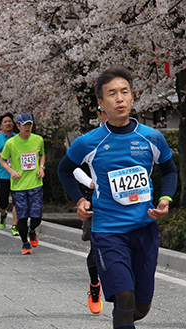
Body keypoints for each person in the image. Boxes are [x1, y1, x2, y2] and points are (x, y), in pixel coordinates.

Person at [57, 66, 178, 329]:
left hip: (144, 230)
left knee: (139, 308)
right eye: (112, 93)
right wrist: (80, 201)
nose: (120, 98)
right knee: (123, 298)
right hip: (108, 231)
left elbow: (168, 170)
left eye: (124, 91)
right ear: (101, 103)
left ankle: (97, 278)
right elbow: (65, 169)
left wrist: (165, 199)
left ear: (133, 97)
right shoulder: (90, 142)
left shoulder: (151, 138)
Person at [73, 106, 108, 315]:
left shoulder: (135, 136)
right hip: (96, 203)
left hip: (126, 206)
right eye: (104, 110)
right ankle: (95, 285)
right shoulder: (89, 140)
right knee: (96, 250)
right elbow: (72, 167)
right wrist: (90, 183)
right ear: (99, 114)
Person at [0, 113, 45, 255]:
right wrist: (11, 171)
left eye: (30, 124)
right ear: (18, 126)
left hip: (36, 184)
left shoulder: (38, 140)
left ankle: (32, 230)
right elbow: (2, 160)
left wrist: (41, 167)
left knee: (37, 216)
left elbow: (42, 154)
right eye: (24, 125)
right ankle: (25, 243)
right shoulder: (11, 143)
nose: (27, 127)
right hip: (18, 186)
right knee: (22, 217)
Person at [0, 113, 19, 235]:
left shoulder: (18, 138)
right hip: (2, 174)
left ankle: (15, 226)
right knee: (3, 202)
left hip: (17, 174)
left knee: (17, 201)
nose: (8, 123)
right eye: (5, 122)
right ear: (1, 126)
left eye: (10, 121)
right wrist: (4, 154)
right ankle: (3, 214)